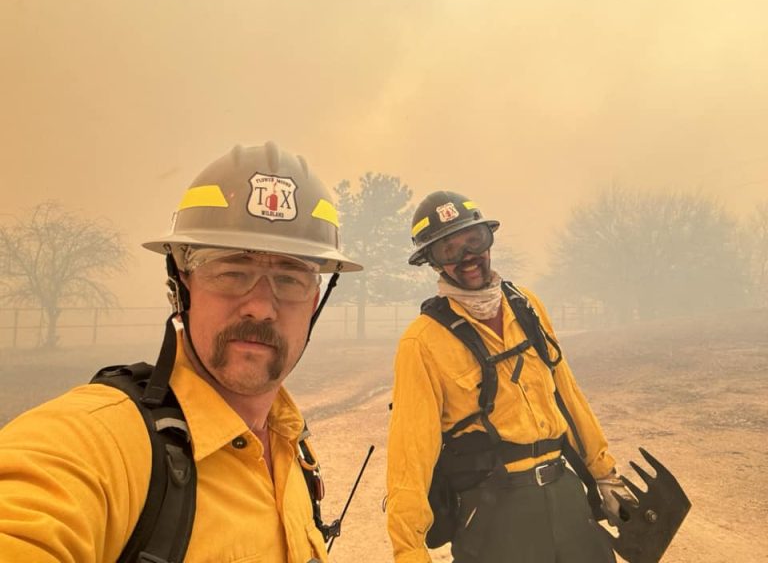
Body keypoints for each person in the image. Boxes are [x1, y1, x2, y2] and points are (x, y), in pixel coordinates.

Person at [0, 142, 362, 562]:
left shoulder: (292, 446)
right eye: (232, 271)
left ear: (314, 301)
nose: (261, 306)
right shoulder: (100, 444)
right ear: (182, 283)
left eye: (289, 279)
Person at [386, 191, 636, 563]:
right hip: (493, 514)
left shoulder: (527, 306)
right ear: (433, 262)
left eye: (474, 240)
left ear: (488, 240)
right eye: (449, 250)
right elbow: (410, 454)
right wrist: (409, 551)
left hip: (565, 494)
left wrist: (604, 474)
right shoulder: (421, 342)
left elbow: (566, 395)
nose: (467, 256)